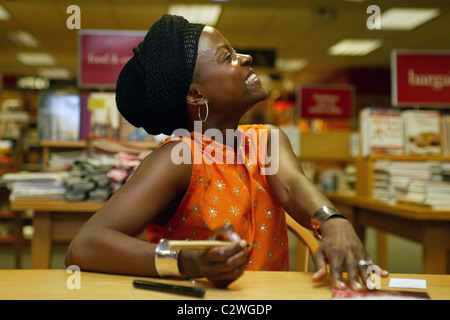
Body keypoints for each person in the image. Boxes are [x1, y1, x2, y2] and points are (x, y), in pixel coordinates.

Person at [65, 14, 388, 290]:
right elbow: (86, 245)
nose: (245, 57)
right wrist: (189, 261)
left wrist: (334, 222)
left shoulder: (267, 140)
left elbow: (291, 184)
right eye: (227, 56)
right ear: (196, 94)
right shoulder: (180, 157)